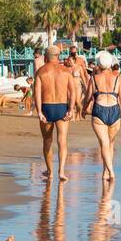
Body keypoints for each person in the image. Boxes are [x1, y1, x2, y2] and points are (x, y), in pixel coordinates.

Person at [34, 43, 80, 182]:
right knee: (62, 141)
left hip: (47, 107)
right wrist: (71, 109)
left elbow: (37, 95)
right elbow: (73, 92)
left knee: (47, 141)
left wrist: (39, 112)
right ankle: (61, 171)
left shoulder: (41, 72)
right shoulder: (66, 71)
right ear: (58, 56)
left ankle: (50, 172)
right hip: (61, 107)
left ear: (46, 57)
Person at [85, 52, 121, 182]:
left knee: (105, 144)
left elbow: (88, 97)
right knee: (110, 144)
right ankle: (106, 172)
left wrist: (84, 109)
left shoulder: (94, 78)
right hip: (114, 111)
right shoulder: (117, 78)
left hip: (99, 110)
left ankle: (110, 171)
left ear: (98, 64)